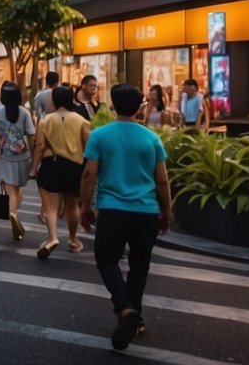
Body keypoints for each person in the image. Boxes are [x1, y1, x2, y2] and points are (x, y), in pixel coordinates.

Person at [80, 84, 172, 351]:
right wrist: (166, 211)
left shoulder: (100, 136)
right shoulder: (151, 138)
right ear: (139, 106)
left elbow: (89, 175)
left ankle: (125, 309)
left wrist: (86, 206)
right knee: (139, 265)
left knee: (107, 260)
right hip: (146, 210)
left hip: (112, 209)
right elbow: (163, 180)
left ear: (113, 105)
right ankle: (136, 317)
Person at [33, 86, 90, 258]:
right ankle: (73, 240)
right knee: (72, 206)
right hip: (74, 166)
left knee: (51, 207)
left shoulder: (45, 121)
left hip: (51, 164)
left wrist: (33, 167)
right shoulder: (81, 121)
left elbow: (40, 146)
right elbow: (88, 147)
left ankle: (52, 238)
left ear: (55, 100)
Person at [0, 83, 35, 242]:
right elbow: (31, 137)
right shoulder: (25, 113)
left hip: (5, 157)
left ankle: (12, 213)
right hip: (23, 156)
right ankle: (14, 213)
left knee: (10, 191)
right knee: (18, 190)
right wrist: (34, 160)